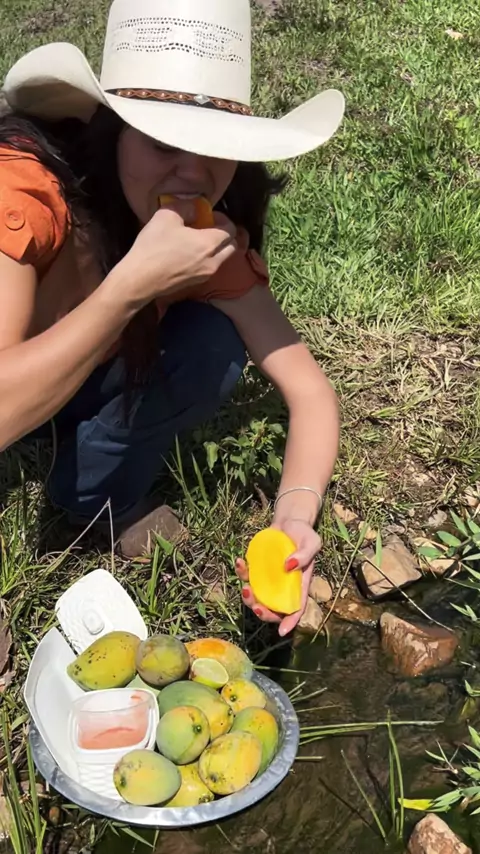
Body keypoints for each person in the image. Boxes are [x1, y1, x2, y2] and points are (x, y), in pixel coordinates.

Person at [0, 0, 344, 635]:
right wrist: (132, 286)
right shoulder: (26, 192)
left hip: (78, 384)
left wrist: (295, 517)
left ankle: (93, 490)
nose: (193, 174)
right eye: (162, 143)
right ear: (113, 131)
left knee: (213, 345)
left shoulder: (207, 236)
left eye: (216, 149)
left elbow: (310, 392)